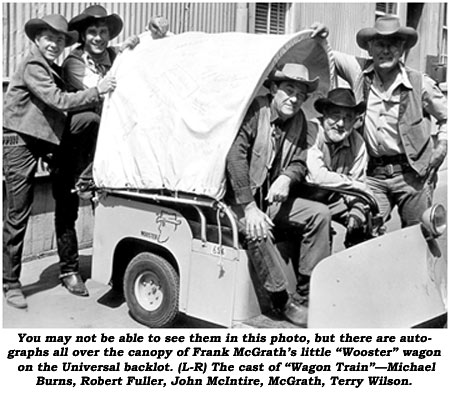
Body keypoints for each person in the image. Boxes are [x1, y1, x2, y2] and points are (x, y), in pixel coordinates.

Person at [3, 14, 116, 308]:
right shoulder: (33, 65)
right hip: (20, 140)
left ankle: (69, 268)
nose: (54, 44)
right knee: (19, 213)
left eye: (60, 40)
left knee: (66, 200)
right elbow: (59, 100)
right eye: (49, 38)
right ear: (37, 40)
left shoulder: (53, 66)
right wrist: (97, 91)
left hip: (47, 138)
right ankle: (11, 282)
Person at [312, 16, 447, 228]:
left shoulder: (420, 83)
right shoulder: (359, 72)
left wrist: (442, 145)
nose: (386, 50)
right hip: (373, 175)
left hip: (412, 175)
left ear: (402, 49)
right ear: (369, 48)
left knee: (418, 236)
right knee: (364, 233)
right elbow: (325, 52)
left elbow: (446, 117)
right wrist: (321, 33)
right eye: (380, 44)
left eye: (392, 45)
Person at [225, 63, 332, 327]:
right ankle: (281, 299)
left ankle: (307, 293)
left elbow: (299, 161)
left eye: (300, 94)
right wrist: (249, 206)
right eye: (288, 90)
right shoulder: (255, 111)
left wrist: (286, 177)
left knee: (320, 214)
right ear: (274, 89)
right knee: (257, 229)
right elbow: (235, 156)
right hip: (239, 200)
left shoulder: (299, 121)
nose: (294, 98)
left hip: (271, 201)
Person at [304, 88, 371, 246]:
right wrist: (353, 184)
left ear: (355, 121)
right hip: (302, 196)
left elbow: (359, 181)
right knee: (321, 216)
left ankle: (354, 262)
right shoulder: (312, 131)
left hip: (332, 198)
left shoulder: (357, 142)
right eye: (335, 115)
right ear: (325, 114)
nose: (341, 124)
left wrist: (357, 207)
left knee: (365, 217)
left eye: (348, 118)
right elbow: (317, 177)